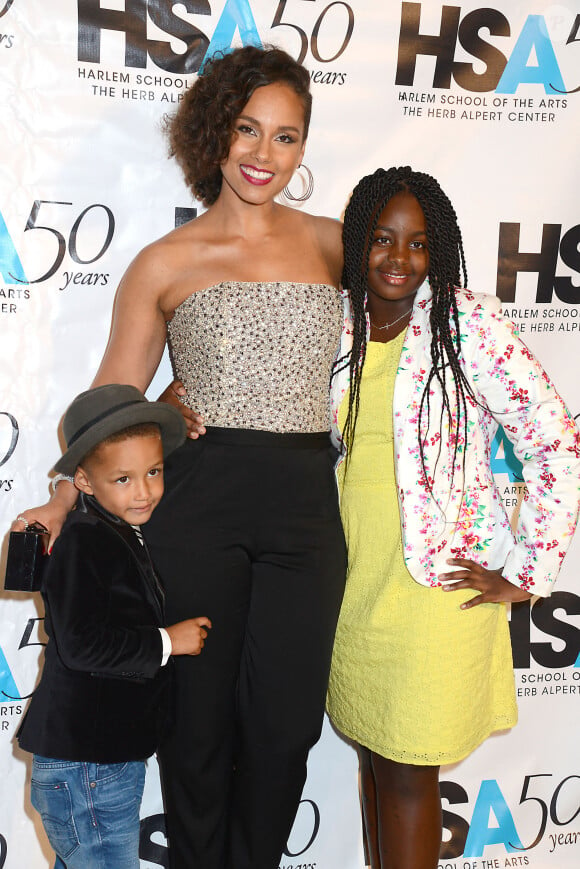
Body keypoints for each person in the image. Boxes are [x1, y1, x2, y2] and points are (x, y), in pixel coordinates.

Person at [14, 47, 346, 869]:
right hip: (197, 506)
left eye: (286, 136)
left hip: (306, 505)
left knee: (285, 726)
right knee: (196, 729)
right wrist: (63, 497)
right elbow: (112, 398)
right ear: (215, 133)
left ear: (304, 148)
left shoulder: (340, 245)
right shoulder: (166, 261)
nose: (264, 155)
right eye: (246, 130)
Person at [325, 166, 580, 869]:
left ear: (438, 250)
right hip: (355, 586)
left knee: (408, 776)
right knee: (377, 763)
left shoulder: (464, 324)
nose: (398, 259)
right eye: (381, 239)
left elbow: (553, 436)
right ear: (356, 243)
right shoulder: (341, 321)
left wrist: (528, 569)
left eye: (417, 243)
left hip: (434, 594)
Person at [16, 384, 212, 869]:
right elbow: (83, 645)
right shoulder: (85, 541)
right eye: (123, 479)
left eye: (153, 471)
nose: (144, 490)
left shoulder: (116, 530)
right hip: (88, 766)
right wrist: (169, 642)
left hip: (98, 761)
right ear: (83, 481)